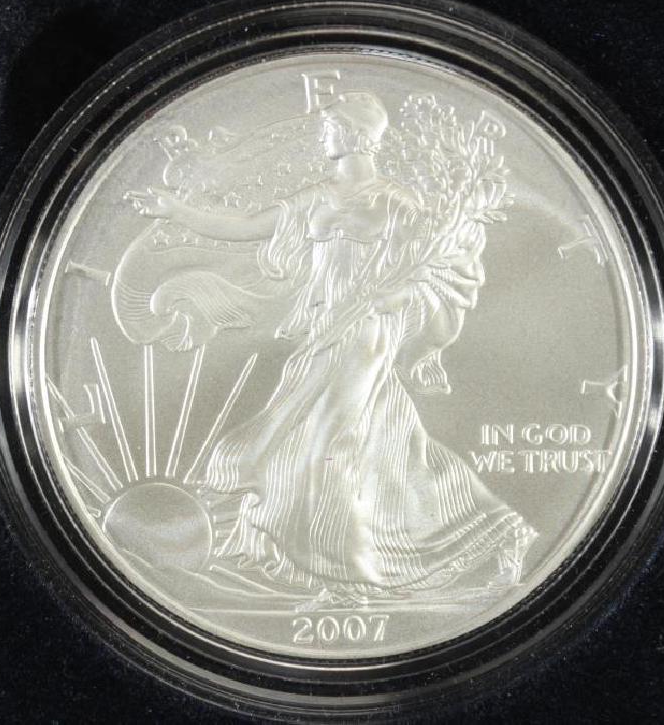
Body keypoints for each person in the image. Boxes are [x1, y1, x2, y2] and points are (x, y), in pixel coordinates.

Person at [125, 92, 535, 604]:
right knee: (383, 445)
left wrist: (397, 294)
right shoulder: (316, 197)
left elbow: (437, 265)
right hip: (322, 332)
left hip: (366, 333)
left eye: (331, 127)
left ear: (356, 134)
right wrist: (176, 211)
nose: (323, 136)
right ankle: (499, 531)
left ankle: (347, 578)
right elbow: (246, 229)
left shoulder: (396, 203)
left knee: (328, 444)